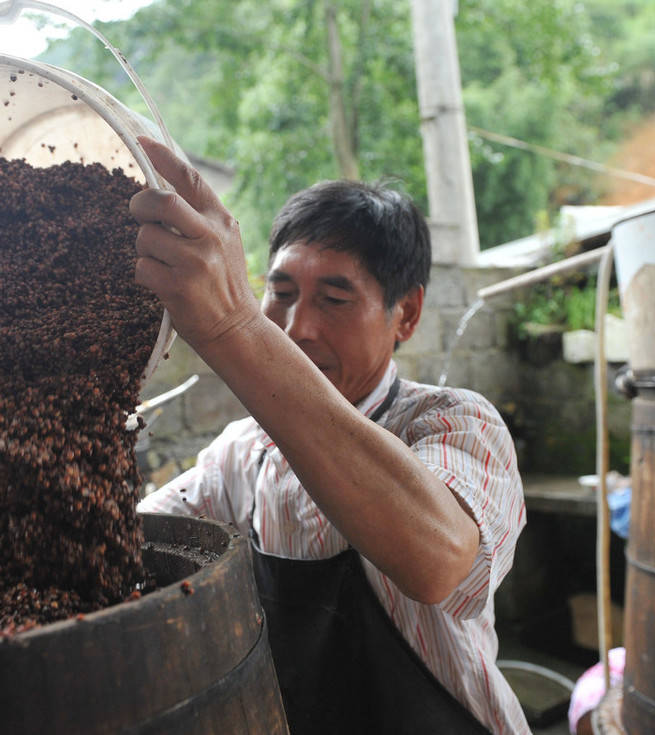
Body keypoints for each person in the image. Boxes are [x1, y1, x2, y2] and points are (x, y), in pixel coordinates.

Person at [132, 137, 529, 735]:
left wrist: (235, 328)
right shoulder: (242, 455)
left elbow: (438, 558)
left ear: (408, 315)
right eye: (281, 294)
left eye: (335, 299)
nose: (297, 329)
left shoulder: (454, 423)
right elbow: (136, 541)